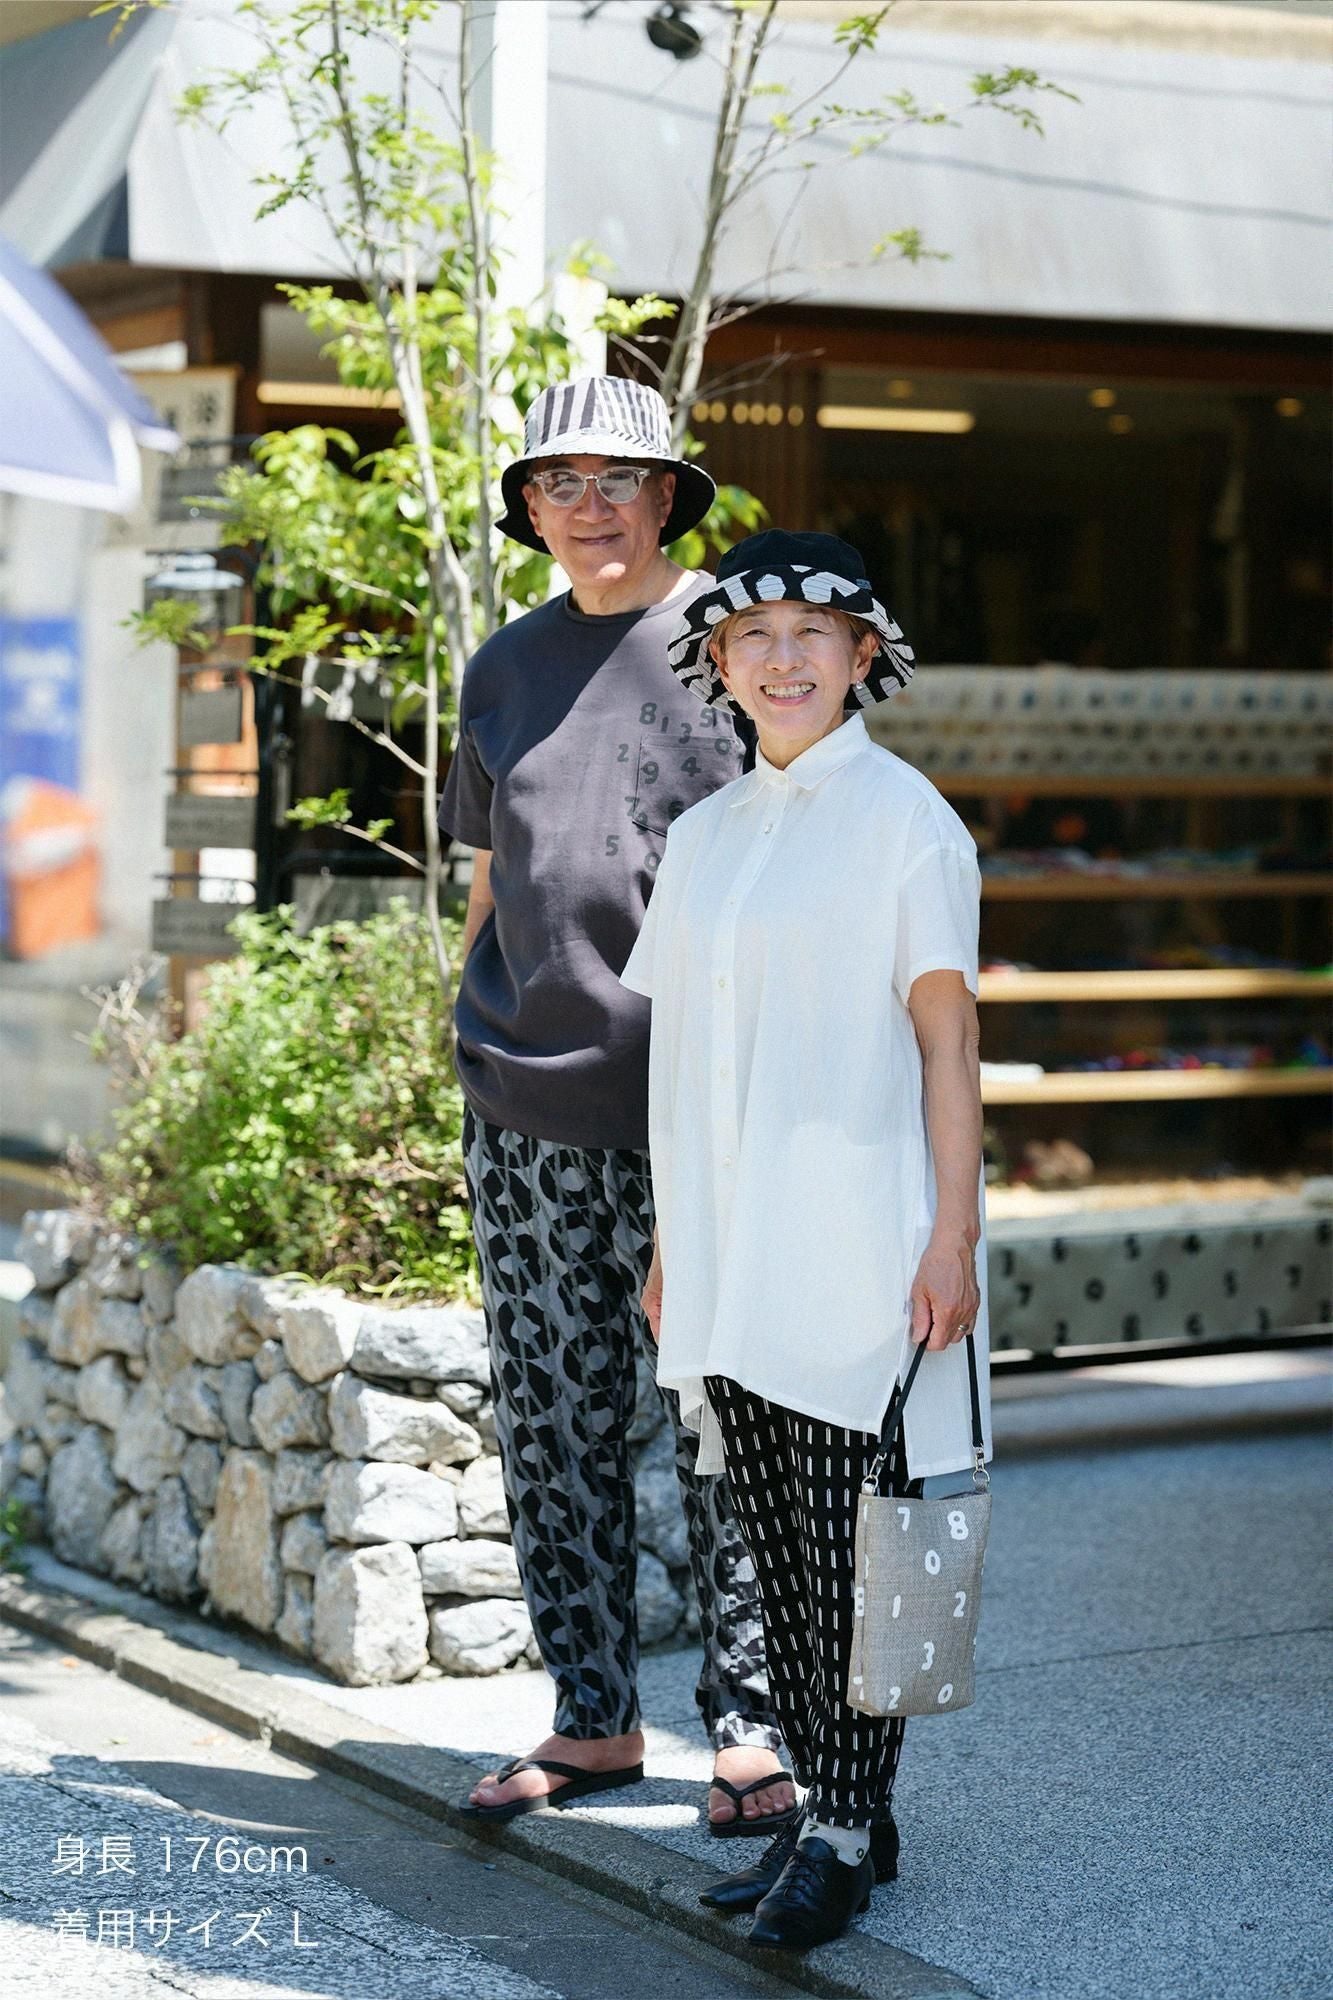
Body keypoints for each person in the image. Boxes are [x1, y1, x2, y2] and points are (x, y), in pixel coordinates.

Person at [620, 529, 993, 1949]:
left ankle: (836, 1833)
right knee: (775, 1547)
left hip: (856, 1240)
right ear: (717, 661)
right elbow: (684, 1058)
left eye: (811, 635)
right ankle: (849, 1812)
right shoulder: (704, 836)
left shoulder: (908, 823)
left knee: (854, 1551)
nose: (783, 660)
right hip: (731, 1249)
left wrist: (952, 1234)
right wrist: (673, 1242)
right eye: (753, 636)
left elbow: (949, 1043)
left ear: (859, 656)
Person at [438, 378, 795, 1836]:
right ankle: (592, 1720)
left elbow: (802, 882)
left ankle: (753, 1731)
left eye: (617, 479)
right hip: (524, 1107)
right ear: (530, 510)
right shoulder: (502, 668)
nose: (589, 506)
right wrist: (468, 1031)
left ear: (666, 499)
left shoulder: (741, 650)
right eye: (560, 482)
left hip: (698, 1117)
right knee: (552, 1421)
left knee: (726, 1423)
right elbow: (488, 880)